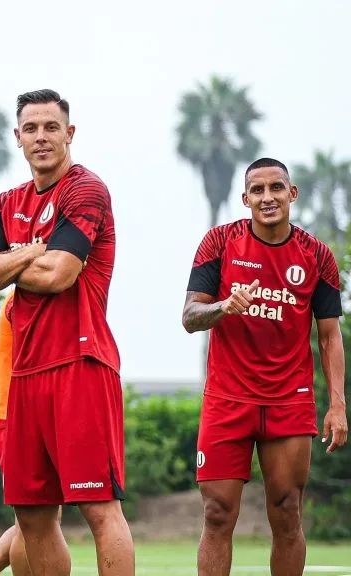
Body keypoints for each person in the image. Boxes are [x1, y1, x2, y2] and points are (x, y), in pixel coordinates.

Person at [0, 89, 134, 576]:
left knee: (99, 507)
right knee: (32, 513)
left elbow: (59, 273)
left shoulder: (85, 190)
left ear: (70, 133)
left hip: (80, 364)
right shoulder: (6, 202)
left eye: (51, 127)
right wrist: (27, 253)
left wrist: (8, 260)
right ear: (17, 137)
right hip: (24, 374)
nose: (41, 137)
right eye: (31, 129)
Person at [182, 157, 348, 576]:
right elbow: (189, 317)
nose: (268, 197)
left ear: (292, 194)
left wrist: (338, 405)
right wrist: (223, 306)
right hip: (226, 398)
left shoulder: (318, 256)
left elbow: (329, 336)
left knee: (287, 511)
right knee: (218, 513)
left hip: (288, 401)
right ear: (245, 199)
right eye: (258, 190)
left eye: (276, 188)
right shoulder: (219, 243)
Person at [0, 288, 56, 576]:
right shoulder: (23, 301)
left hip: (17, 418)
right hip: (15, 418)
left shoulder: (24, 298)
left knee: (35, 522)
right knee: (34, 523)